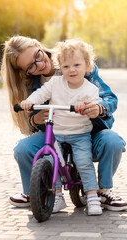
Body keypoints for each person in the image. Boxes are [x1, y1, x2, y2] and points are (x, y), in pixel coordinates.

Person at [0, 35, 127, 213]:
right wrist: (34, 119)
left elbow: (109, 98)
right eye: (31, 66)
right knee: (23, 149)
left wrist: (99, 108)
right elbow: (30, 116)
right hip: (56, 133)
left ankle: (103, 191)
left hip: (86, 131)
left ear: (39, 46)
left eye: (38, 55)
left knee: (112, 141)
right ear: (25, 72)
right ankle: (36, 192)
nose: (39, 63)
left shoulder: (75, 62)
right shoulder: (32, 84)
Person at [20, 39, 103, 215]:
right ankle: (56, 197)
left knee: (83, 162)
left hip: (80, 134)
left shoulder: (90, 89)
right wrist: (30, 102)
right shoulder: (55, 83)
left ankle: (93, 196)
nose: (71, 70)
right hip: (56, 134)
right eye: (66, 66)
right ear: (60, 67)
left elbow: (95, 103)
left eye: (77, 65)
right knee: (51, 163)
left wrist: (87, 106)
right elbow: (41, 93)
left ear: (87, 65)